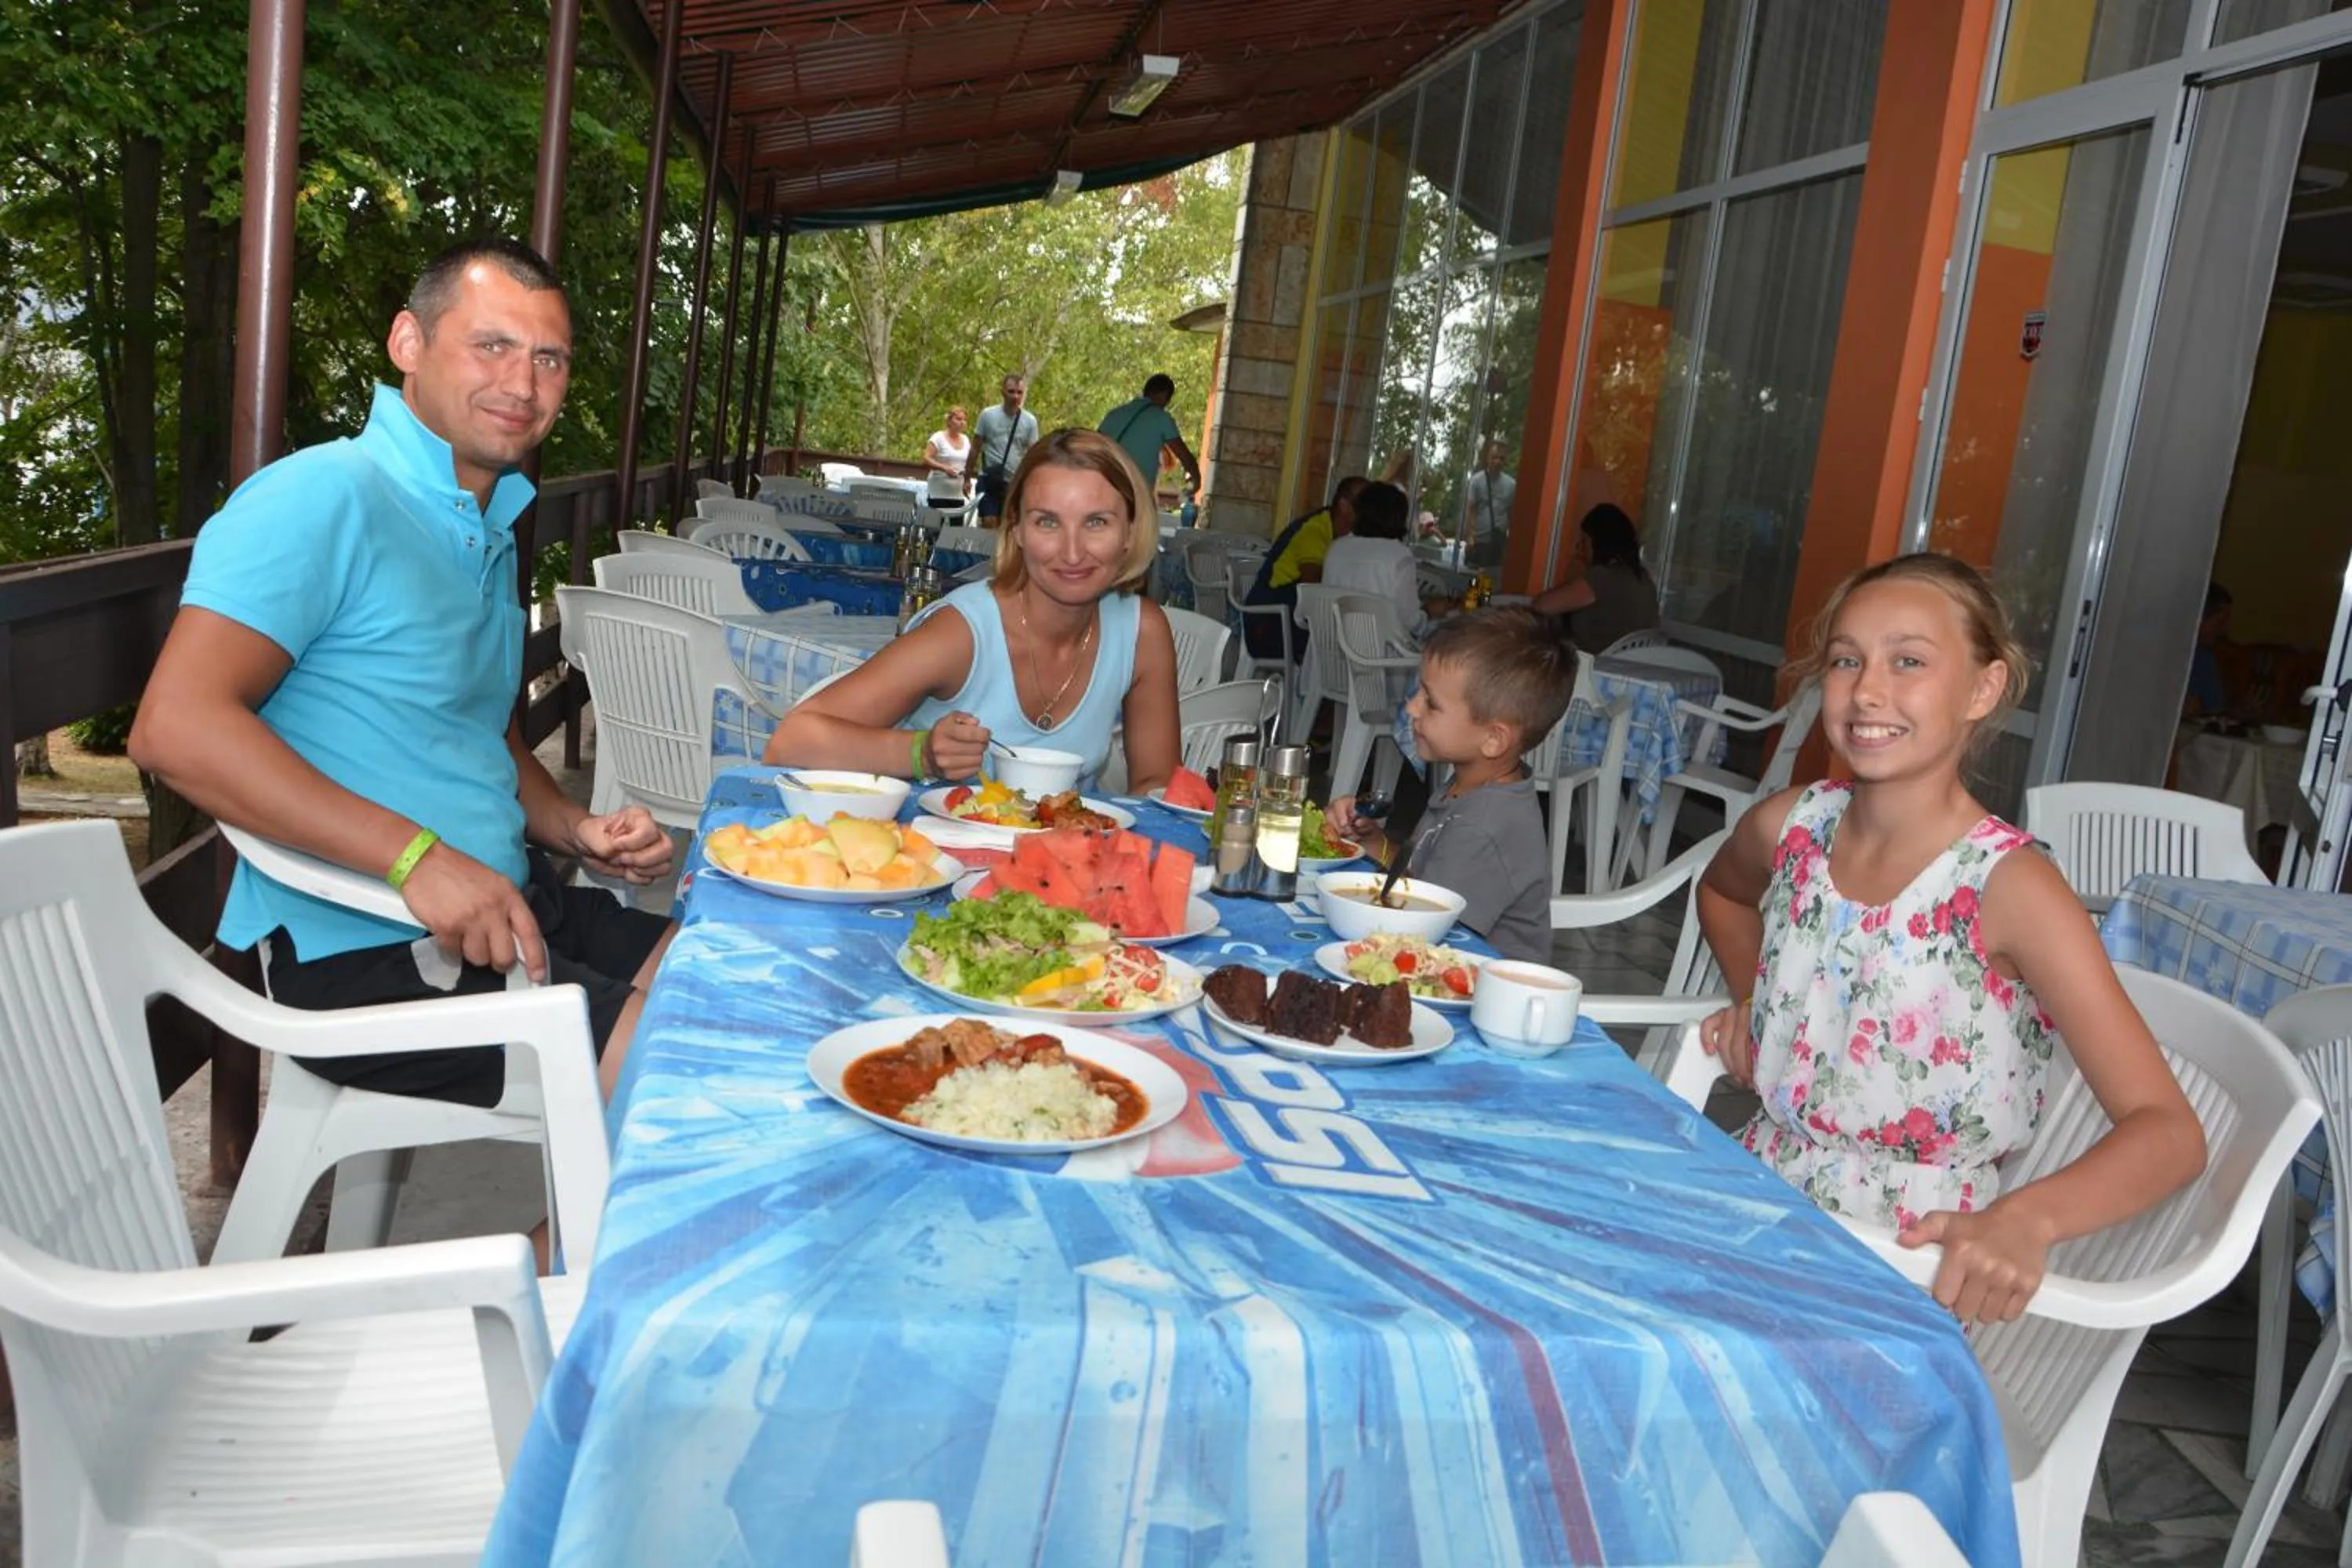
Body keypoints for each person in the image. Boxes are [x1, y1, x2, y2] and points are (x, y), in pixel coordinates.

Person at [128, 237, 677, 1116]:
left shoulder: (481, 523)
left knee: (740, 989)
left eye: (549, 359)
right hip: (368, 950)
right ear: (408, 344)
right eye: (490, 345)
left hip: (510, 903)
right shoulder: (323, 495)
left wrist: (577, 829)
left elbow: (478, 731)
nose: (523, 384)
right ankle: (544, 1262)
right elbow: (174, 729)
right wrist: (416, 859)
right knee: (703, 1089)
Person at [1693, 554, 2205, 1325]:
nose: (1868, 689)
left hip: (1903, 1262)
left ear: (1983, 688)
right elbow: (1724, 893)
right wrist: (1753, 1000)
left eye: (1908, 661)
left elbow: (2168, 1132)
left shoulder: (2009, 887)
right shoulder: (1791, 825)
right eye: (1845, 659)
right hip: (1756, 1197)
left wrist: (2028, 1219)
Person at [765, 427, 1179, 794]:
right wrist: (921, 754)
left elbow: (1155, 787)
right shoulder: (963, 632)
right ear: (1015, 530)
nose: (1072, 552)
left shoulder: (1143, 631)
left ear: (1130, 530)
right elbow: (791, 740)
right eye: (1047, 523)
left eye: (1096, 523)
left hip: (1057, 870)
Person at [1324, 608, 1573, 964]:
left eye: (1430, 702)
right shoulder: (1467, 785)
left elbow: (1422, 932)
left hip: (1479, 993)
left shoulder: (1483, 825)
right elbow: (1422, 883)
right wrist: (1375, 843)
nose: (1411, 708)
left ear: (1493, 739)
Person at [1243, 475, 1366, 661]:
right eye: (1365, 504)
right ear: (1344, 505)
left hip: (1288, 622)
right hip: (1268, 625)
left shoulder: (1343, 538)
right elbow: (1313, 591)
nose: (1371, 512)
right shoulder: (1314, 531)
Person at [1532, 503, 1661, 655]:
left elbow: (1541, 605)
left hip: (1591, 669)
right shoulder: (1643, 579)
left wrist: (1577, 576)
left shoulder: (1602, 578)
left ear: (1597, 543)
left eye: (1584, 541)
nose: (1580, 549)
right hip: (1627, 668)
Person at [1319, 481, 1432, 639]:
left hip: (1326, 654)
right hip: (1375, 659)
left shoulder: (1336, 548)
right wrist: (1429, 612)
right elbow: (1410, 622)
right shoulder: (1399, 556)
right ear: (1399, 517)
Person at [1098, 372, 1200, 506]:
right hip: (1136, 493)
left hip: (1104, 487)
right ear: (1165, 395)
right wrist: (1196, 481)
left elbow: (1094, 447)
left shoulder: (1115, 414)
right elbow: (1183, 455)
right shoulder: (1162, 418)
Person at [967, 373, 1040, 524]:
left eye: (1019, 393)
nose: (1015, 396)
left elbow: (1033, 455)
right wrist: (967, 477)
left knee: (1008, 525)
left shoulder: (1030, 421)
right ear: (1003, 392)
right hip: (989, 478)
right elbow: (975, 447)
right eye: (1011, 391)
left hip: (1013, 481)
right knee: (989, 521)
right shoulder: (988, 415)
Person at [1462, 440, 1515, 569]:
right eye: (1494, 457)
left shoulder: (1511, 485)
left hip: (1498, 542)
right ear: (1488, 458)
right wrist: (1470, 536)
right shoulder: (1477, 480)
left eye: (1501, 458)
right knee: (1476, 583)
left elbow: (1512, 514)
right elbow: (1471, 509)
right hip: (1479, 542)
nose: (1497, 462)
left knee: (1492, 581)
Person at [2184, 581, 2232, 718]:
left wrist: (2236, 712)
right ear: (2197, 618)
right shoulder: (2156, 652)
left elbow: (2214, 712)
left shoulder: (2205, 659)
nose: (2224, 631)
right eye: (2220, 622)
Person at [924, 405, 971, 488]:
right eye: (959, 419)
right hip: (938, 491)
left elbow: (969, 462)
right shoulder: (938, 437)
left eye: (964, 420)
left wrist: (966, 477)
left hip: (958, 491)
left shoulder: (966, 440)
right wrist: (944, 468)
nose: (962, 422)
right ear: (949, 421)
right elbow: (926, 459)